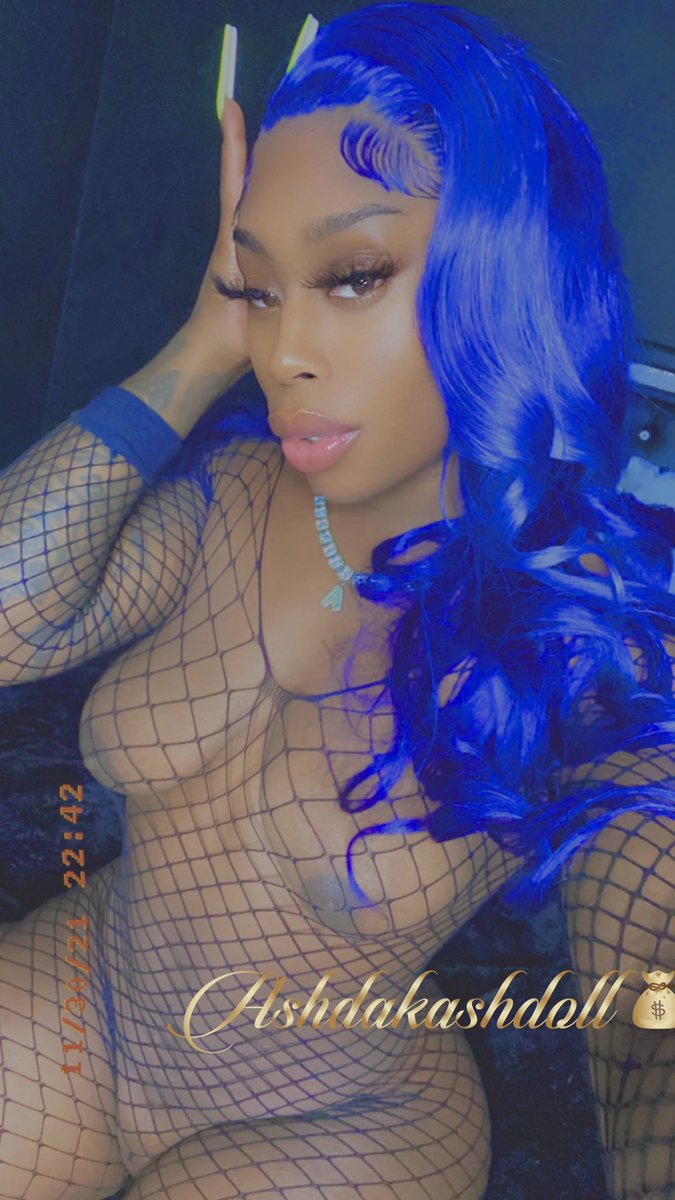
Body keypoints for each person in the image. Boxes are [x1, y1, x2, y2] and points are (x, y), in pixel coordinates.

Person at [1, 4, 674, 1198]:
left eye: (353, 276)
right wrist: (201, 341)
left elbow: (651, 1008)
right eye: (264, 287)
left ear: (501, 279)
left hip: (336, 1119)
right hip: (88, 1005)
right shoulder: (229, 491)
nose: (284, 352)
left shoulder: (582, 628)